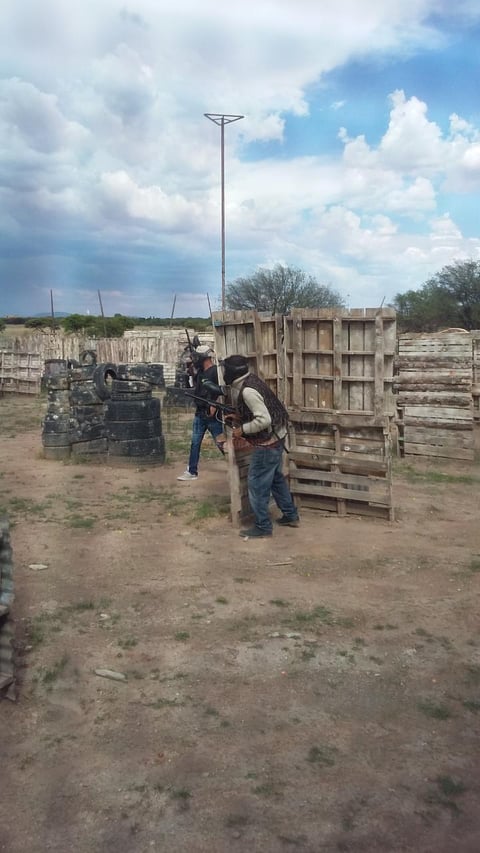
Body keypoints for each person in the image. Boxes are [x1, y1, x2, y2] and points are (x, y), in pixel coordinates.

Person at [221, 354, 299, 538]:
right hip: (278, 439)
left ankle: (263, 526)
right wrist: (240, 417)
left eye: (226, 370)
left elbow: (264, 419)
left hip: (267, 444)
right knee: (276, 480)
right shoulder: (252, 380)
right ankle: (290, 515)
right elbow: (263, 409)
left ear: (232, 372)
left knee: (256, 484)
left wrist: (243, 429)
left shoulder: (247, 390)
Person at [177, 346, 225, 481]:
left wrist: (214, 404)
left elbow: (220, 390)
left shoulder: (215, 372)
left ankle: (236, 466)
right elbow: (194, 379)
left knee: (221, 443)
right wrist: (191, 366)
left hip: (213, 416)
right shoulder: (201, 373)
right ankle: (192, 471)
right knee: (195, 443)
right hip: (200, 414)